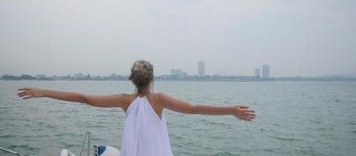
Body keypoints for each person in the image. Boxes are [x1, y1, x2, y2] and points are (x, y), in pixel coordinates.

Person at [17, 60, 256, 156]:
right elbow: (194, 108)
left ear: (132, 79)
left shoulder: (126, 101)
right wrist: (231, 110)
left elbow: (83, 97)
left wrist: (44, 92)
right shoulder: (160, 99)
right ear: (152, 79)